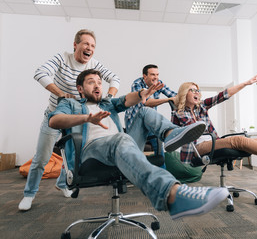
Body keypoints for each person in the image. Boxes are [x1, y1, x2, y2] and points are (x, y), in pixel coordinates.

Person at [47, 69, 229, 220]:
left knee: (143, 111)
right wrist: (87, 118)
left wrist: (143, 93)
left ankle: (171, 133)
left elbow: (126, 100)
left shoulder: (107, 103)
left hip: (119, 146)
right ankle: (172, 195)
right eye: (91, 82)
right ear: (80, 88)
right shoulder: (70, 103)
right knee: (120, 138)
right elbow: (54, 120)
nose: (97, 86)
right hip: (90, 152)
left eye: (99, 82)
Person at [19, 29, 121, 211]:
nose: (89, 48)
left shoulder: (94, 64)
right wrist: (62, 95)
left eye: (93, 46)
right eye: (86, 44)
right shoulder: (62, 58)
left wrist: (109, 98)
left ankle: (63, 183)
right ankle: (29, 195)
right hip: (56, 116)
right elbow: (40, 73)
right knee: (42, 158)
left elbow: (115, 78)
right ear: (76, 45)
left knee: (75, 155)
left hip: (79, 118)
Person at [125, 64, 177, 158]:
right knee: (135, 154)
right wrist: (167, 100)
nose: (156, 77)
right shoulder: (137, 84)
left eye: (157, 74)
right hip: (135, 124)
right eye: (153, 74)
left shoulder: (158, 83)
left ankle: (162, 171)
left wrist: (187, 94)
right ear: (145, 76)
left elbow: (173, 95)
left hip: (149, 123)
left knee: (160, 148)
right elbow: (146, 103)